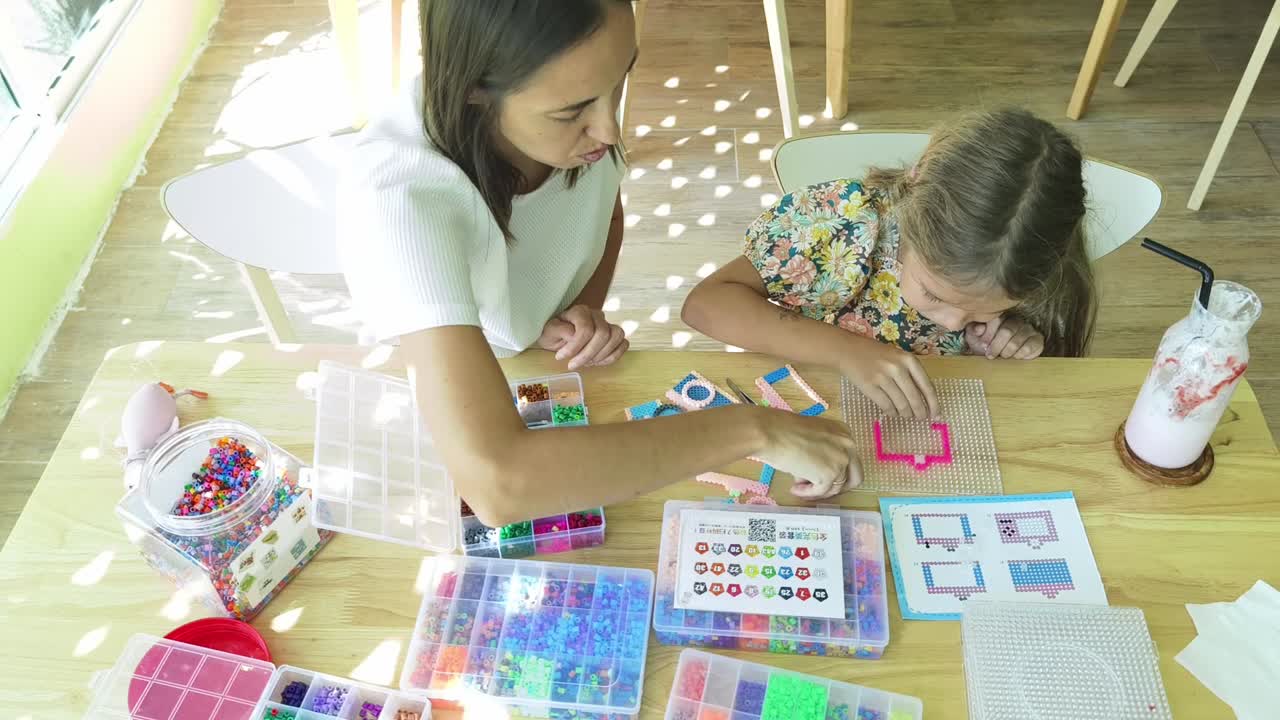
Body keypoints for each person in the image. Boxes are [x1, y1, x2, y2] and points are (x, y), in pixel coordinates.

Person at [338, 0, 857, 527]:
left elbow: (602, 212)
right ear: (475, 91)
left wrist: (578, 308)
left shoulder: (570, 125)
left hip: (533, 354)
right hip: (462, 382)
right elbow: (498, 484)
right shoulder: (400, 199)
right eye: (573, 111)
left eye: (621, 80)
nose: (610, 130)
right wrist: (755, 430)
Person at [682, 109, 1097, 420]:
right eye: (933, 294)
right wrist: (848, 352)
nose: (953, 324)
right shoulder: (840, 224)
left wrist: (1009, 337)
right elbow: (705, 305)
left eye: (987, 310)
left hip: (918, 418)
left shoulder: (1029, 260)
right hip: (807, 400)